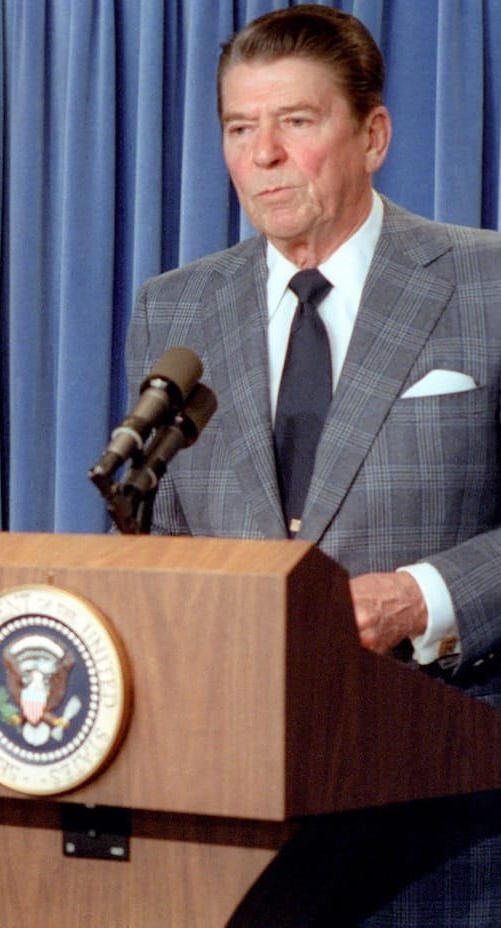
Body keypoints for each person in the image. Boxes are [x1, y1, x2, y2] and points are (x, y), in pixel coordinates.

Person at [127, 6, 501, 925]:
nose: (263, 155)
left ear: (373, 136)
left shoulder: (487, 284)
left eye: (296, 121)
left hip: (446, 811)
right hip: (235, 822)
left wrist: (423, 598)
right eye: (239, 128)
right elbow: (157, 536)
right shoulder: (176, 309)